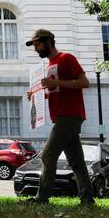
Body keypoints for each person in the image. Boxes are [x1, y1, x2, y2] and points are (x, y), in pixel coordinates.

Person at [24, 29, 94, 206]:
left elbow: (84, 82)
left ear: (48, 42)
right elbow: (56, 91)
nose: (36, 49)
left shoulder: (66, 58)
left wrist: (57, 82)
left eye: (38, 44)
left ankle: (42, 198)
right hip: (60, 116)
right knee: (76, 161)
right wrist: (37, 94)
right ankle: (87, 200)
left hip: (71, 114)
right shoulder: (47, 66)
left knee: (48, 155)